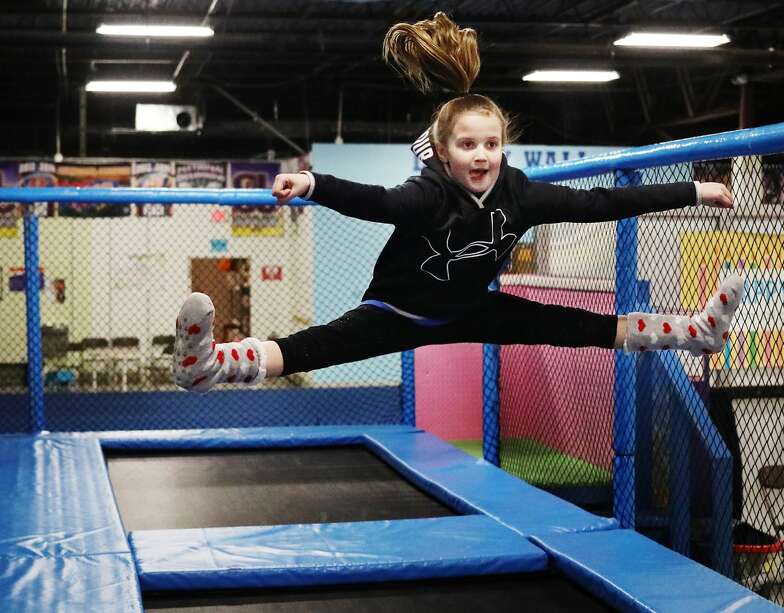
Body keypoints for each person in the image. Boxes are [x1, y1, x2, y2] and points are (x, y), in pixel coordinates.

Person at [172, 12, 743, 393]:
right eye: (468, 145)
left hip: (472, 308)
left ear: (503, 147)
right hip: (397, 311)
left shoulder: (521, 193)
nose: (481, 155)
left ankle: (696, 334)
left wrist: (693, 188)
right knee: (311, 348)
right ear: (444, 153)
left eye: (491, 144)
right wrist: (314, 183)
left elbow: (601, 203)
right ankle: (209, 366)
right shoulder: (428, 192)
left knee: (582, 326)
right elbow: (377, 202)